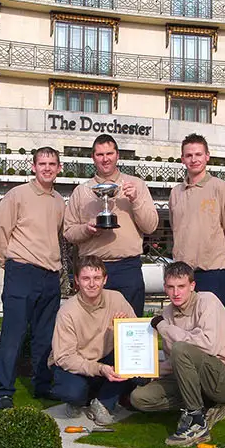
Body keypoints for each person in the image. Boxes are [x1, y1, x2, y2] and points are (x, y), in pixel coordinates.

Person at [130, 262, 225, 447]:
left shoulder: (207, 301)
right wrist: (148, 371)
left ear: (192, 286)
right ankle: (206, 405)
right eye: (171, 287)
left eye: (181, 286)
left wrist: (164, 327)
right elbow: (175, 360)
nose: (176, 293)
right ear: (165, 288)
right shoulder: (168, 312)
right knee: (139, 398)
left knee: (181, 348)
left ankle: (196, 421)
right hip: (193, 376)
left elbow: (206, 345)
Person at [0, 147, 65, 410]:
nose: (47, 168)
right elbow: (0, 232)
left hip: (49, 275)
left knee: (45, 337)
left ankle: (42, 384)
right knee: (13, 334)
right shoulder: (17, 196)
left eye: (52, 163)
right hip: (21, 271)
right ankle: (4, 390)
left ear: (59, 168)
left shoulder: (58, 201)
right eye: (42, 163)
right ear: (33, 167)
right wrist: (8, 263)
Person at [64, 134, 160, 316]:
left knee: (129, 328)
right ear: (93, 158)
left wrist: (135, 200)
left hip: (127, 268)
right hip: (92, 269)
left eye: (109, 153)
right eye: (100, 154)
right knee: (93, 329)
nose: (105, 159)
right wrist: (87, 229)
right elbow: (68, 232)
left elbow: (150, 227)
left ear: (118, 155)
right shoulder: (82, 191)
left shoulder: (136, 185)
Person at [50, 256, 140, 426]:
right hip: (75, 364)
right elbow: (65, 357)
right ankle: (81, 399)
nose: (92, 284)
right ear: (77, 280)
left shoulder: (117, 299)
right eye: (86, 278)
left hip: (104, 359)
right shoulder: (67, 312)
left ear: (105, 279)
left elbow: (136, 338)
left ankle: (102, 404)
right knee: (73, 392)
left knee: (133, 365)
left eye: (97, 278)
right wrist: (99, 369)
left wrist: (123, 327)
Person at [168, 134, 225, 306]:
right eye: (189, 155)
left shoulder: (220, 188)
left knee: (212, 327)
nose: (194, 159)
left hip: (212, 272)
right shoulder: (175, 193)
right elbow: (175, 227)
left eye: (198, 154)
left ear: (207, 156)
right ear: (183, 159)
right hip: (183, 275)